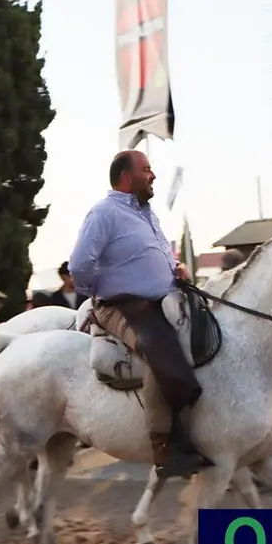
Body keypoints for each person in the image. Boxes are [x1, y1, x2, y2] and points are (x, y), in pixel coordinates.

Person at [68, 149, 209, 480]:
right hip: (121, 306)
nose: (153, 175)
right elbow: (78, 265)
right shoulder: (104, 213)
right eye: (147, 169)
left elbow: (159, 252)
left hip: (162, 301)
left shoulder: (149, 214)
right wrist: (100, 293)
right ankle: (165, 448)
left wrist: (177, 267)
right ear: (126, 177)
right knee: (157, 349)